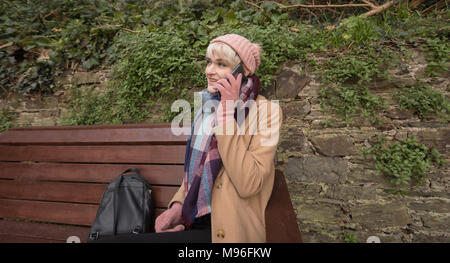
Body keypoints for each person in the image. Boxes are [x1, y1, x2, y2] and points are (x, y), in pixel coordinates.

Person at [155, 33, 283, 243]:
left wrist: (226, 114)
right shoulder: (207, 106)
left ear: (244, 70)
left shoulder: (268, 112)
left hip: (227, 231)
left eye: (221, 64)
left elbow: (249, 183)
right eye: (208, 62)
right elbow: (199, 168)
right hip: (191, 220)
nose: (209, 71)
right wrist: (178, 206)